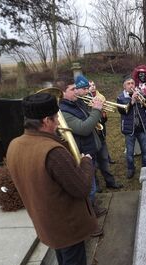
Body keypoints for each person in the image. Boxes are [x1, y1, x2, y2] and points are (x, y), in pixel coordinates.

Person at [6, 93, 97, 265]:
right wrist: (86, 162)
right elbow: (81, 188)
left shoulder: (14, 144)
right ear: (46, 120)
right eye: (55, 119)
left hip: (46, 221)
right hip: (67, 225)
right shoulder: (53, 152)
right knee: (73, 263)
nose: (58, 123)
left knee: (63, 257)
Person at [59, 75, 107, 223]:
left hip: (90, 149)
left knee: (92, 181)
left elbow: (89, 120)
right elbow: (84, 128)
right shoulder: (64, 111)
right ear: (62, 93)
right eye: (73, 89)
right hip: (82, 153)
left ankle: (92, 208)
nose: (77, 91)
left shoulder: (76, 103)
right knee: (89, 187)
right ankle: (90, 221)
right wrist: (96, 110)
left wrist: (95, 113)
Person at [88, 80, 122, 189]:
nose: (91, 88)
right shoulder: (84, 102)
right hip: (90, 138)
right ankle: (96, 185)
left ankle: (110, 182)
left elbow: (103, 120)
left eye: (93, 85)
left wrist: (102, 114)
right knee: (92, 165)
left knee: (104, 161)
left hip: (100, 134)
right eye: (88, 87)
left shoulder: (99, 97)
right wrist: (94, 109)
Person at [117, 77, 146, 179]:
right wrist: (132, 101)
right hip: (129, 129)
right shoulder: (121, 97)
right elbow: (122, 111)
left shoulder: (140, 94)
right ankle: (131, 168)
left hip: (141, 128)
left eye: (132, 83)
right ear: (124, 86)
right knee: (130, 152)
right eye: (128, 83)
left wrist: (142, 99)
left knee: (145, 150)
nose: (131, 85)